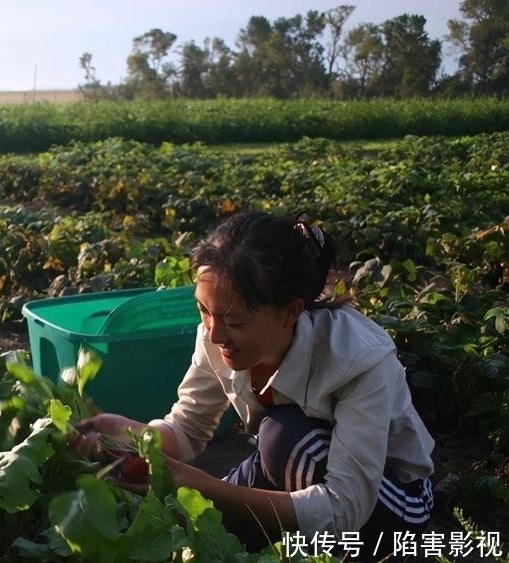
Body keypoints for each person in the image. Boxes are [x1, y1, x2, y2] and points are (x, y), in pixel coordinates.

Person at [69, 209, 435, 561]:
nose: (214, 333)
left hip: (391, 502)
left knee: (283, 437)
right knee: (191, 525)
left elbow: (346, 506)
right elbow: (189, 427)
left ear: (290, 312)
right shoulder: (215, 334)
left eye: (235, 321)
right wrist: (132, 435)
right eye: (204, 311)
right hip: (287, 465)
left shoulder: (358, 359)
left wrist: (195, 481)